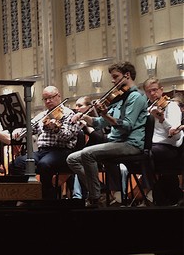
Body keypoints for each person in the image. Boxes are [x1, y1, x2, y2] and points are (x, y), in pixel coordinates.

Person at [67, 61, 148, 207]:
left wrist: (106, 116)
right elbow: (99, 122)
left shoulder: (136, 97)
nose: (112, 80)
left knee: (87, 154)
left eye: (116, 76)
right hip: (116, 142)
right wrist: (84, 116)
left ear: (127, 75)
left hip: (130, 143)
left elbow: (127, 126)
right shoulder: (118, 98)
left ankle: (95, 198)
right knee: (72, 159)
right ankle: (102, 191)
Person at [10, 86, 80, 199]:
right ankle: (28, 194)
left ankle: (47, 198)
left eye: (51, 98)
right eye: (45, 99)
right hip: (43, 151)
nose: (48, 101)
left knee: (44, 165)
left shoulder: (68, 114)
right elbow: (29, 128)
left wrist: (56, 128)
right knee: (17, 163)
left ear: (58, 96)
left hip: (62, 151)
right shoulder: (42, 115)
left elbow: (67, 136)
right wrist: (19, 131)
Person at [144, 78, 183, 204]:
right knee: (138, 152)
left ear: (161, 90)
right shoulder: (147, 109)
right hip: (153, 146)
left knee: (146, 153)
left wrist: (161, 119)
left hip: (170, 148)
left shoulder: (172, 107)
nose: (152, 93)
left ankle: (151, 189)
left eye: (155, 90)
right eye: (149, 91)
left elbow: (175, 136)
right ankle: (160, 189)